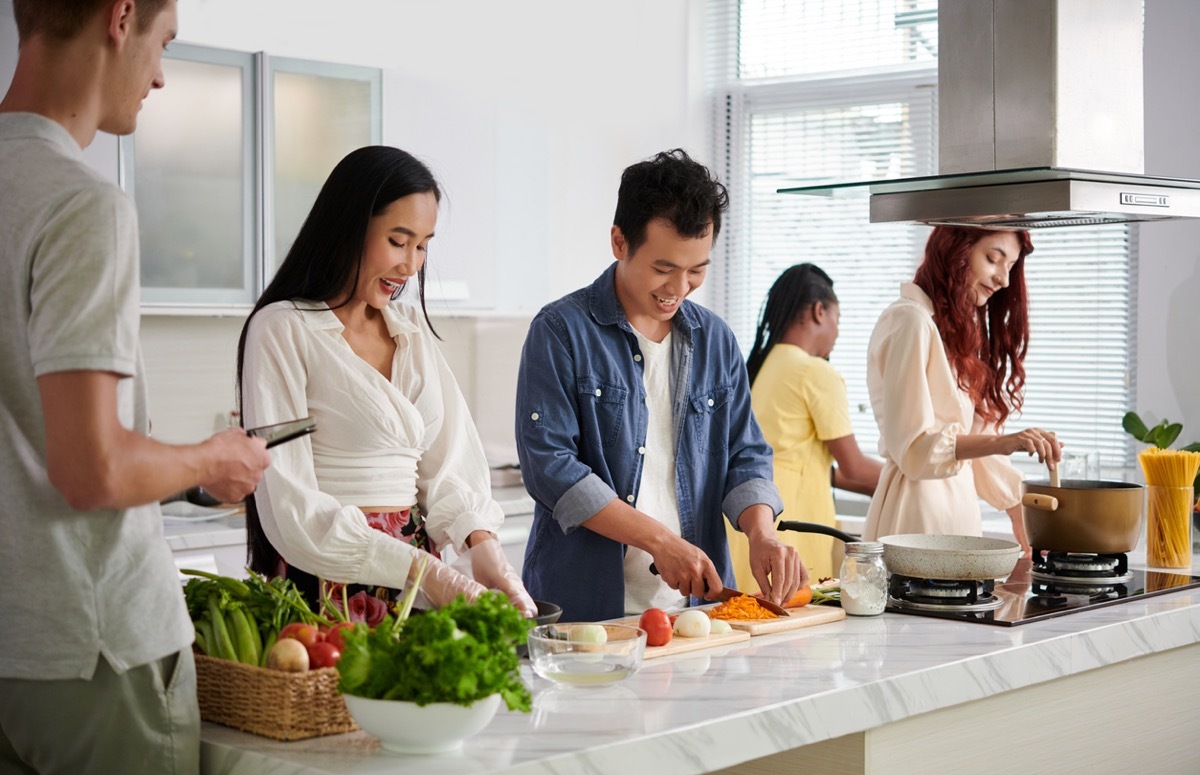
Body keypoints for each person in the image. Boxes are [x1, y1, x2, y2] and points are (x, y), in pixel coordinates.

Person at [0, 1, 271, 775]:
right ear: (121, 17)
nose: (159, 75)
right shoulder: (81, 202)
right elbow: (93, 469)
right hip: (93, 651)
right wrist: (214, 457)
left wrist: (180, 469)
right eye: (164, 43)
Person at [237, 145, 536, 617]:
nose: (412, 265)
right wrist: (426, 572)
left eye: (423, 245)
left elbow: (449, 460)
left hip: (417, 581)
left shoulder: (410, 332)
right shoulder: (283, 328)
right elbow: (291, 502)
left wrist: (484, 548)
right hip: (326, 583)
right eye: (398, 241)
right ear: (349, 227)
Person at [515, 149, 807, 623]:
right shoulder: (561, 331)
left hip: (697, 613)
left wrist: (761, 534)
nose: (680, 287)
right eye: (663, 268)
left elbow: (745, 453)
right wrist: (659, 540)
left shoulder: (715, 340)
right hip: (586, 611)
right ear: (618, 242)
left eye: (697, 270)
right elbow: (551, 468)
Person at [863, 226, 1062, 552]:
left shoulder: (956, 333)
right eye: (993, 259)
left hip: (959, 516)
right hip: (913, 516)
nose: (1004, 280)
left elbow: (975, 445)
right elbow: (914, 451)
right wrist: (1007, 442)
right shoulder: (909, 321)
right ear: (956, 249)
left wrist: (1016, 510)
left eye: (1010, 267)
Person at [727, 263, 882, 588]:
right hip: (794, 533)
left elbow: (815, 468)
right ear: (819, 311)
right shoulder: (815, 372)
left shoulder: (764, 367)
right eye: (838, 320)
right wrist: (914, 480)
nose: (838, 334)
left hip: (752, 530)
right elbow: (853, 467)